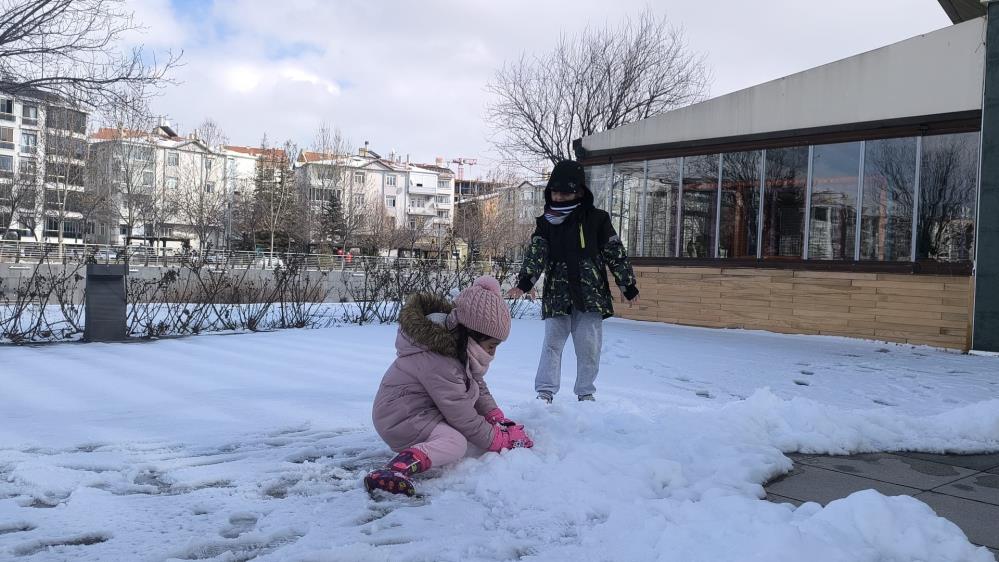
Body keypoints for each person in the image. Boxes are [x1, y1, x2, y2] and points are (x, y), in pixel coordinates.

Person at [365, 276, 533, 496]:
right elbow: (461, 415)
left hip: (421, 411)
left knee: (462, 433)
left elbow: (477, 385)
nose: (492, 354)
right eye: (491, 346)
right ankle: (395, 470)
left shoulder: (456, 350)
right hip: (400, 417)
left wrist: (496, 417)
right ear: (471, 335)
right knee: (455, 443)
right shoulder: (440, 361)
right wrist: (500, 440)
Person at [507, 160, 639, 403]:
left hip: (590, 296)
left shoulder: (597, 219)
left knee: (589, 348)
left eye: (565, 192)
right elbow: (537, 254)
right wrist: (526, 282)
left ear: (579, 191)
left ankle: (586, 393)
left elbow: (614, 251)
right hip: (558, 295)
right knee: (552, 346)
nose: (558, 197)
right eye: (554, 192)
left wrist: (626, 284)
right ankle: (545, 393)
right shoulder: (545, 222)